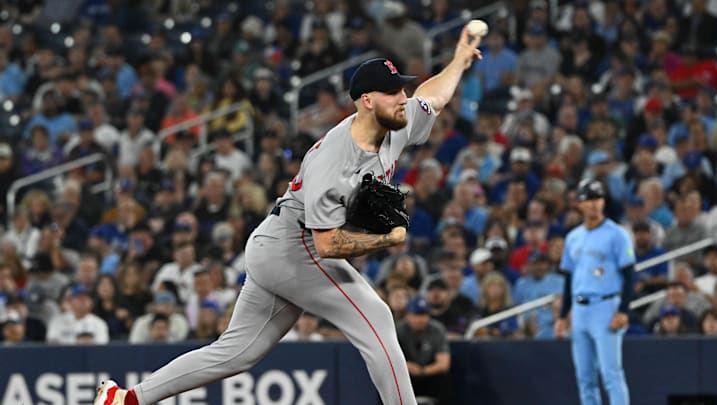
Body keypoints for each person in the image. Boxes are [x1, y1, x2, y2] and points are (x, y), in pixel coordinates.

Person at [94, 27, 482, 405]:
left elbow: (433, 97)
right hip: (294, 246)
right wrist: (386, 240)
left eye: (402, 88)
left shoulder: (393, 122)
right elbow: (327, 244)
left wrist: (459, 61)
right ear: (366, 100)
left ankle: (126, 399)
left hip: (277, 243)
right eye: (393, 91)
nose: (403, 97)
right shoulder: (335, 159)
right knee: (377, 317)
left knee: (237, 352)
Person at [554, 179, 635, 405]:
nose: (594, 204)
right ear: (579, 204)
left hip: (605, 305)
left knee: (611, 373)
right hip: (580, 310)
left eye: (598, 199)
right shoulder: (573, 237)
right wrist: (562, 316)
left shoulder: (616, 234)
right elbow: (569, 278)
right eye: (589, 199)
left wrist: (623, 310)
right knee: (584, 377)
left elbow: (629, 274)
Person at [396, 296, 452, 405]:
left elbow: (444, 364)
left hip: (429, 374)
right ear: (408, 315)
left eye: (424, 315)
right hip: (405, 375)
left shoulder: (437, 329)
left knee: (444, 380)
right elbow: (390, 359)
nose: (420, 319)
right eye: (416, 315)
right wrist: (406, 366)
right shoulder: (398, 330)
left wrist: (422, 371)